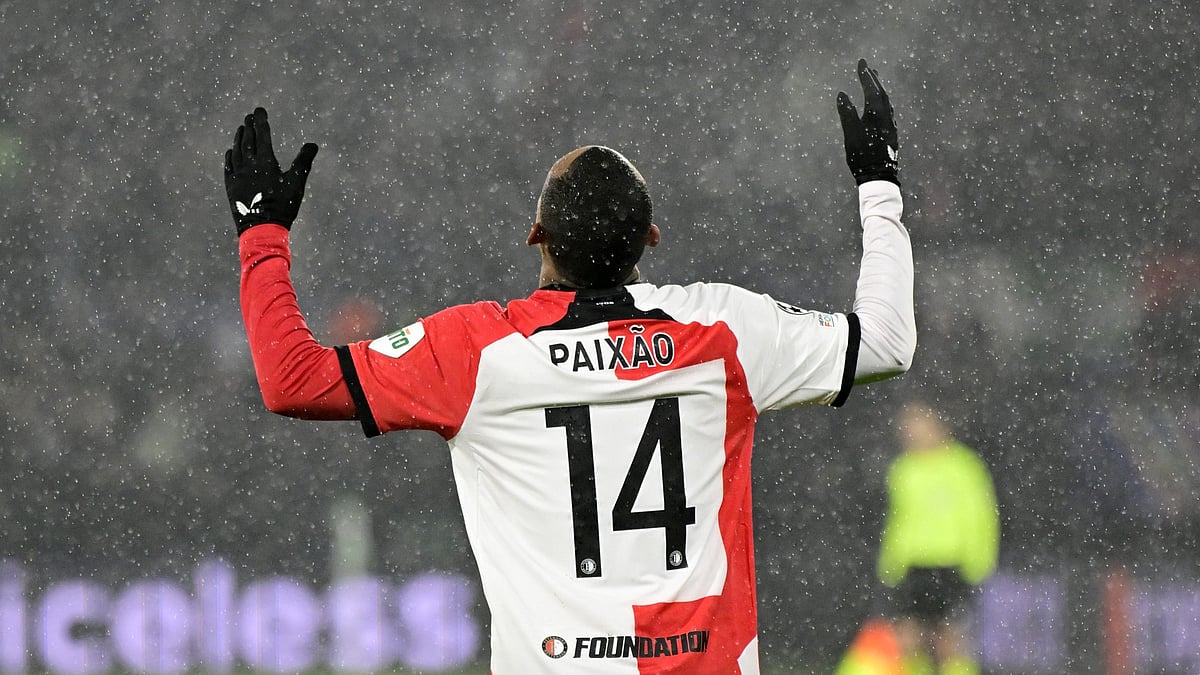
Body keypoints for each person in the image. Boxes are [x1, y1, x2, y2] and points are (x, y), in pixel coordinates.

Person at [223, 58, 915, 674]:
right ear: (650, 236)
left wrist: (262, 234)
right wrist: (879, 184)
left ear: (536, 236)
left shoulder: (477, 351)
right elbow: (885, 342)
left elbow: (292, 378)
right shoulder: (723, 331)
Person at [875, 402, 1000, 675]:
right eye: (907, 427)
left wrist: (980, 561)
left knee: (950, 640)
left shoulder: (964, 466)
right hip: (913, 566)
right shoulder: (903, 469)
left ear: (939, 425)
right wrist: (891, 564)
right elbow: (898, 520)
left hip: (951, 563)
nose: (912, 432)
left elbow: (981, 516)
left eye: (919, 424)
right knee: (908, 639)